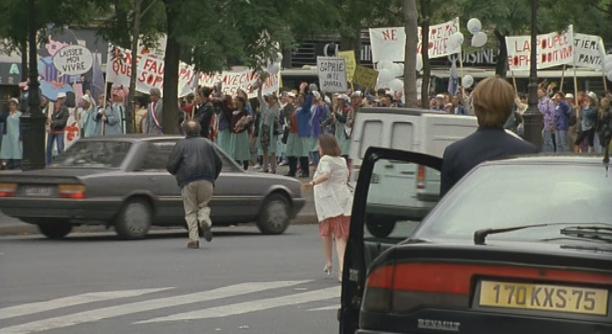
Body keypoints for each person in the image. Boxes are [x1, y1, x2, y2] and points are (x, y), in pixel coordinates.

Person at [440, 77, 538, 197]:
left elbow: (446, 208)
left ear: (476, 108)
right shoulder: (528, 153)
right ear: (509, 109)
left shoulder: (454, 153)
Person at [166, 120, 222, 249]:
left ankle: (193, 239)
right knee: (203, 205)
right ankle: (204, 220)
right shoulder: (208, 143)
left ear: (185, 131)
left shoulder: (181, 145)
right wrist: (213, 177)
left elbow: (171, 165)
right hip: (207, 179)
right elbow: (219, 162)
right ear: (199, 130)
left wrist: (177, 173)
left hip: (187, 180)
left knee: (190, 211)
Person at [307, 134, 353, 282]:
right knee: (333, 234)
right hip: (343, 200)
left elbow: (326, 175)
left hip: (331, 203)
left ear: (324, 147)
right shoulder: (342, 160)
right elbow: (345, 177)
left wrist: (313, 182)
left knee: (335, 236)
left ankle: (340, 269)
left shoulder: (325, 160)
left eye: (320, 146)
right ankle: (329, 263)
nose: (318, 149)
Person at [257, 82, 280, 173]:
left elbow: (276, 117)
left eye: (271, 98)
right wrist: (260, 87)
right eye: (268, 98)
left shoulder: (276, 108)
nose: (269, 99)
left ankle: (273, 168)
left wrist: (275, 101)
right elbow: (259, 97)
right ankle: (265, 167)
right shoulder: (265, 106)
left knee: (272, 149)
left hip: (271, 130)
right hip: (264, 129)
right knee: (265, 149)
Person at [230, 96, 252, 169]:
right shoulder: (233, 110)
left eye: (238, 100)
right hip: (234, 132)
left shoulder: (245, 111)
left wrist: (242, 125)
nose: (236, 102)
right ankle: (236, 162)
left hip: (242, 133)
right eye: (235, 100)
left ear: (242, 102)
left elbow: (249, 120)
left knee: (243, 148)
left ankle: (245, 162)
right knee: (235, 148)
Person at [47, 92, 69, 164]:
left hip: (60, 131)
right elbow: (47, 117)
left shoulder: (65, 109)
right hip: (51, 130)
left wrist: (53, 122)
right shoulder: (51, 107)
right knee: (48, 148)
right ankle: (48, 163)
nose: (62, 100)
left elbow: (63, 121)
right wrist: (47, 122)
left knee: (60, 148)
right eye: (61, 99)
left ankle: (61, 163)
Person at [0, 98, 22, 169]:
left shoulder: (20, 114)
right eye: (10, 105)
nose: (11, 106)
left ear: (16, 106)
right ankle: (6, 164)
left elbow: (21, 125)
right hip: (8, 135)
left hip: (16, 134)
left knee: (16, 149)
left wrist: (21, 135)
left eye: (13, 105)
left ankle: (17, 164)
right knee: (7, 150)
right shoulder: (6, 114)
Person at [333, 94, 352, 159]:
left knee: (344, 148)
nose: (338, 101)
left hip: (345, 131)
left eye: (339, 100)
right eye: (337, 100)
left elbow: (344, 120)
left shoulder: (347, 109)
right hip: (338, 130)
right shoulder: (337, 108)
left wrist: (335, 113)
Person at [538, 88, 556, 152]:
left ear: (544, 93)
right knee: (543, 140)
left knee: (548, 140)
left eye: (540, 92)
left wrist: (552, 123)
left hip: (547, 123)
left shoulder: (549, 101)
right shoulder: (538, 102)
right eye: (538, 92)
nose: (538, 93)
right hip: (540, 123)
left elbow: (553, 113)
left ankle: (551, 153)